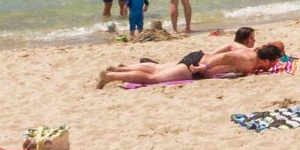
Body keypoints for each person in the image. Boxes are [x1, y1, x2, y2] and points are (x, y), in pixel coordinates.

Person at [96, 39, 283, 87]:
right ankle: (110, 76)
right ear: (266, 60)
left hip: (198, 56)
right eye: (271, 64)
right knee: (155, 78)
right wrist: (206, 67)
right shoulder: (247, 60)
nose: (270, 67)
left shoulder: (252, 52)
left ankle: (120, 68)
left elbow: (231, 47)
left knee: (158, 67)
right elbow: (226, 58)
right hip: (196, 65)